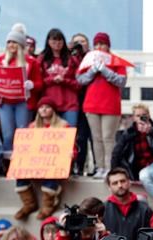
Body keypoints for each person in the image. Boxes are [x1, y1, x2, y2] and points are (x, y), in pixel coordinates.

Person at [76, 32, 127, 179]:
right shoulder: (89, 59)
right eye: (97, 44)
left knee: (108, 138)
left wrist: (105, 70)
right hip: (91, 105)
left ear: (108, 45)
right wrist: (92, 71)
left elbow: (121, 81)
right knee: (96, 137)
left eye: (102, 44)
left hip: (110, 106)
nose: (99, 47)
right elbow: (80, 80)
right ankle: (100, 167)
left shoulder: (116, 61)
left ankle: (110, 168)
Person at [14, 96, 70, 220]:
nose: (44, 110)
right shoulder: (32, 126)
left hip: (55, 164)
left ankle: (48, 206)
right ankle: (29, 204)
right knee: (20, 174)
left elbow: (70, 146)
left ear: (53, 110)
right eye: (41, 107)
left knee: (51, 173)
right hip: (36, 164)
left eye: (47, 107)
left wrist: (70, 154)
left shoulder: (63, 126)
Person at [0, 23, 43, 158]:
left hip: (23, 102)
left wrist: (32, 85)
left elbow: (39, 83)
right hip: (5, 102)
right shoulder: (0, 60)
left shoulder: (31, 62)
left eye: (14, 42)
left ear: (20, 45)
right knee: (7, 134)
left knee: (23, 132)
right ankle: (8, 163)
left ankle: (22, 161)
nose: (11, 45)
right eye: (9, 42)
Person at [111, 103, 153, 201]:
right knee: (143, 176)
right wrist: (113, 173)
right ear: (133, 118)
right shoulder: (128, 133)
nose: (140, 118)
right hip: (147, 170)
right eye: (137, 115)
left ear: (148, 116)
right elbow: (116, 152)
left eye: (143, 115)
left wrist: (151, 131)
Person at [38, 28, 81, 127]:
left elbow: (79, 84)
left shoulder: (72, 60)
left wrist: (64, 81)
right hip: (49, 105)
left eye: (60, 40)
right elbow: (38, 83)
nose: (57, 43)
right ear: (48, 41)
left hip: (70, 104)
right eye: (54, 40)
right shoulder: (41, 59)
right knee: (51, 138)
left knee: (69, 137)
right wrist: (52, 80)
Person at [103, 167, 153, 240]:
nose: (119, 185)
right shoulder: (103, 209)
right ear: (109, 187)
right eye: (115, 183)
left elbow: (150, 237)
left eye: (122, 181)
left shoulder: (144, 209)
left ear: (129, 182)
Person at [69, 32, 94, 176]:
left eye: (82, 41)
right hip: (73, 102)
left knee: (91, 137)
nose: (79, 44)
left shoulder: (93, 58)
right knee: (78, 137)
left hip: (90, 101)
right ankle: (77, 166)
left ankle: (93, 167)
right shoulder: (69, 58)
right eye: (76, 42)